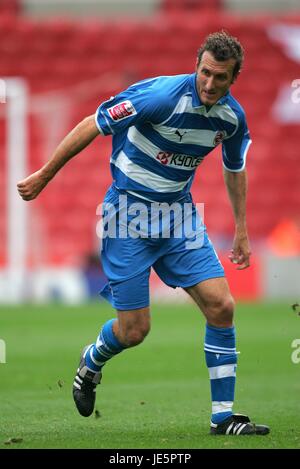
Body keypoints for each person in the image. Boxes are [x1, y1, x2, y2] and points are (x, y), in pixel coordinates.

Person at [17, 31, 269, 435]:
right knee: (135, 331)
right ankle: (92, 361)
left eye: (220, 78)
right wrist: (45, 175)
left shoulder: (231, 118)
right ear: (196, 67)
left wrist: (242, 230)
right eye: (205, 73)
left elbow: (234, 167)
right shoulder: (160, 97)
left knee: (222, 306)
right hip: (127, 216)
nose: (209, 83)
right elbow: (92, 123)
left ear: (232, 79)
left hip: (179, 218)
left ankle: (223, 417)